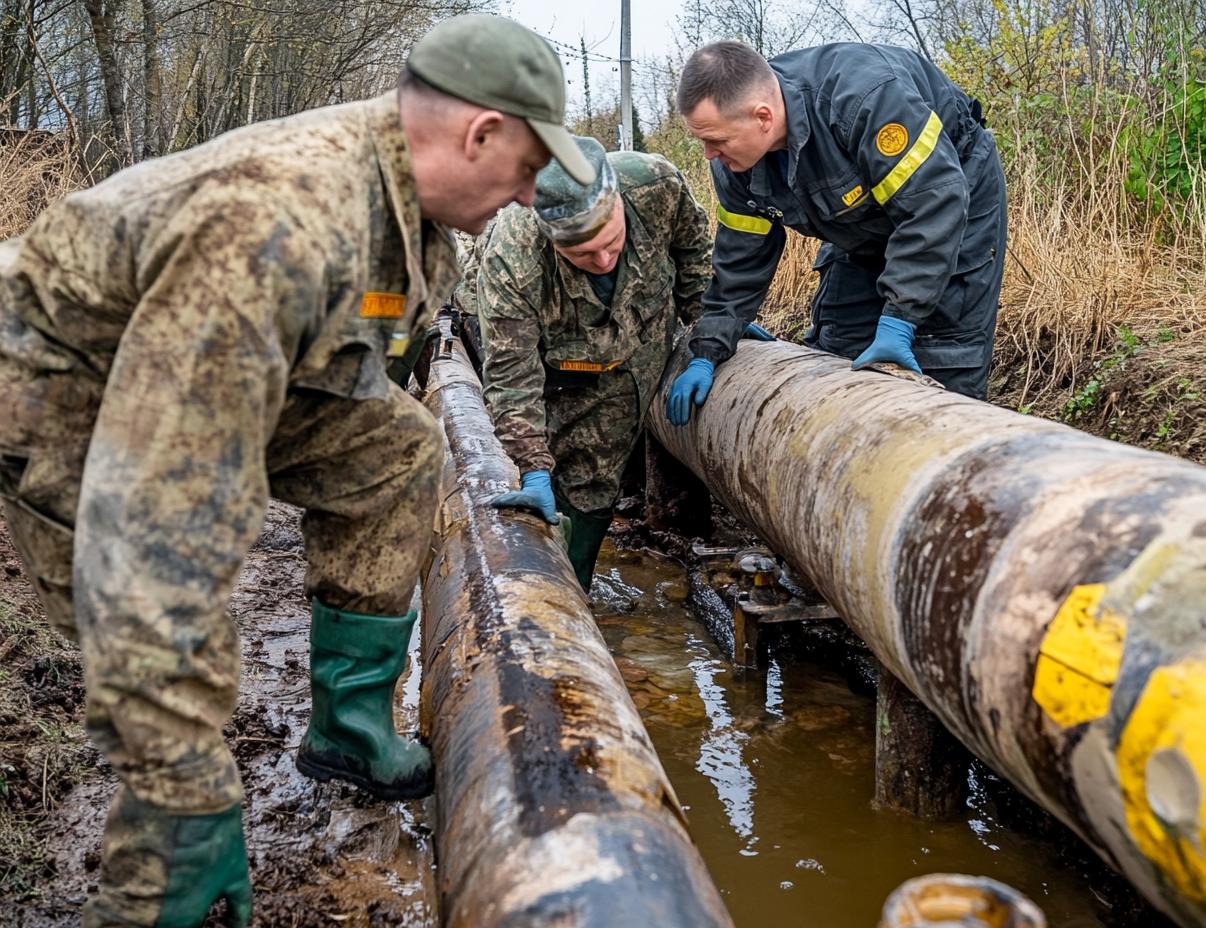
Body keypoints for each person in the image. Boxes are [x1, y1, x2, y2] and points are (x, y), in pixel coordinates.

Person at [0, 14, 591, 927]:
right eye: (526, 169)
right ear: (481, 133)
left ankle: (347, 727)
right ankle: (163, 866)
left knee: (398, 448)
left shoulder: (407, 212)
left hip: (194, 361)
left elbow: (362, 376)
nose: (525, 199)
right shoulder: (277, 225)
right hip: (70, 389)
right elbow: (160, 531)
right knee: (153, 627)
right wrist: (190, 793)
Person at [665, 40, 1008, 426]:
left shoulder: (865, 98)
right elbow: (740, 254)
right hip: (858, 225)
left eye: (717, 141)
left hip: (951, 202)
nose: (709, 153)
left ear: (763, 117)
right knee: (839, 350)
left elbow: (931, 205)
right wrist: (712, 342)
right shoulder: (733, 163)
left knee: (942, 355)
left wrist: (900, 319)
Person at [466, 136, 723, 590]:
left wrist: (711, 326)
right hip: (566, 361)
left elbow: (694, 252)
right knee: (572, 478)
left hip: (642, 335)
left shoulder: (655, 185)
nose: (603, 260)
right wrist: (532, 466)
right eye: (583, 255)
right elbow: (511, 373)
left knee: (601, 478)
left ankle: (580, 566)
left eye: (611, 242)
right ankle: (566, 590)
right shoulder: (514, 259)